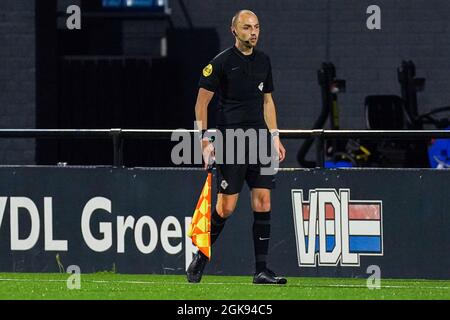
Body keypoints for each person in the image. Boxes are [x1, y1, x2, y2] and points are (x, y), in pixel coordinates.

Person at [187, 9, 287, 285]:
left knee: (263, 200)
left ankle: (261, 270)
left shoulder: (264, 61)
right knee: (227, 207)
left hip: (260, 141)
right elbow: (201, 103)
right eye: (246, 27)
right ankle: (201, 256)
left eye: (256, 27)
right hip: (232, 140)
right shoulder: (220, 63)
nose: (253, 32)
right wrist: (204, 139)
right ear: (234, 31)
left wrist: (275, 135)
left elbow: (268, 101)